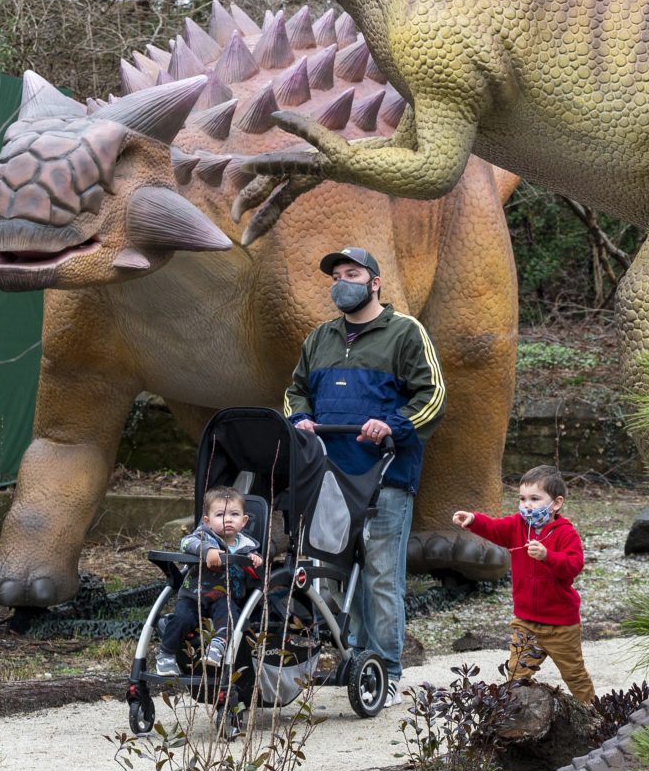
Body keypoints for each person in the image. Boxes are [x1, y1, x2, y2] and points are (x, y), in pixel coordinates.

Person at [284, 246, 445, 703]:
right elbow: (295, 391)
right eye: (336, 275)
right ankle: (356, 661)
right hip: (328, 478)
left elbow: (432, 395)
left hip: (385, 476)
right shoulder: (320, 338)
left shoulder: (405, 333)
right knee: (332, 573)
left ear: (374, 282)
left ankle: (388, 671)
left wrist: (391, 425)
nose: (341, 282)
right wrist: (300, 420)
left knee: (380, 575)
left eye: (351, 273)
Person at [453, 466, 595, 704]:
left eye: (535, 499)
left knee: (575, 675)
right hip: (526, 622)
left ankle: (596, 717)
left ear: (556, 503)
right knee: (516, 675)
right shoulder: (517, 525)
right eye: (522, 498)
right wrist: (474, 520)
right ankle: (515, 719)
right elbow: (495, 528)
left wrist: (547, 556)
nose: (527, 505)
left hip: (561, 625)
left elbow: (574, 566)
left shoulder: (566, 533)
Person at [153, 486, 263, 677]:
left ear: (244, 521)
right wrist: (208, 551)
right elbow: (186, 543)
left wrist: (255, 562)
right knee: (182, 619)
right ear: (208, 521)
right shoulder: (204, 537)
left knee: (230, 617)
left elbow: (256, 576)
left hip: (224, 598)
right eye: (220, 515)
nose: (228, 519)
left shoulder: (247, 547)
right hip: (193, 596)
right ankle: (165, 655)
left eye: (234, 514)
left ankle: (218, 646)